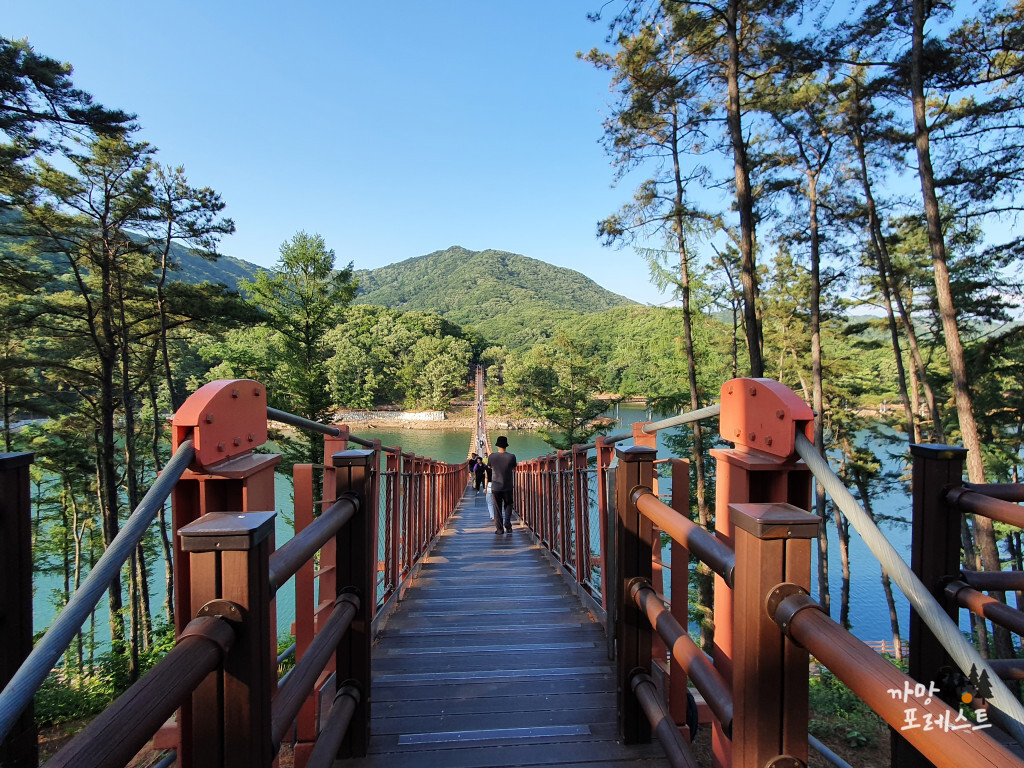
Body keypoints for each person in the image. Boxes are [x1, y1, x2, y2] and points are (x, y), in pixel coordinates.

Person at [489, 435, 517, 534]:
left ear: (497, 445)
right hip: (508, 486)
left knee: (497, 508)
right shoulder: (512, 457)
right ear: (506, 446)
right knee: (508, 504)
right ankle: (508, 523)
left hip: (496, 487)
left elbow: (489, 466)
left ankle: (499, 529)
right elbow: (514, 467)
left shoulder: (492, 456)